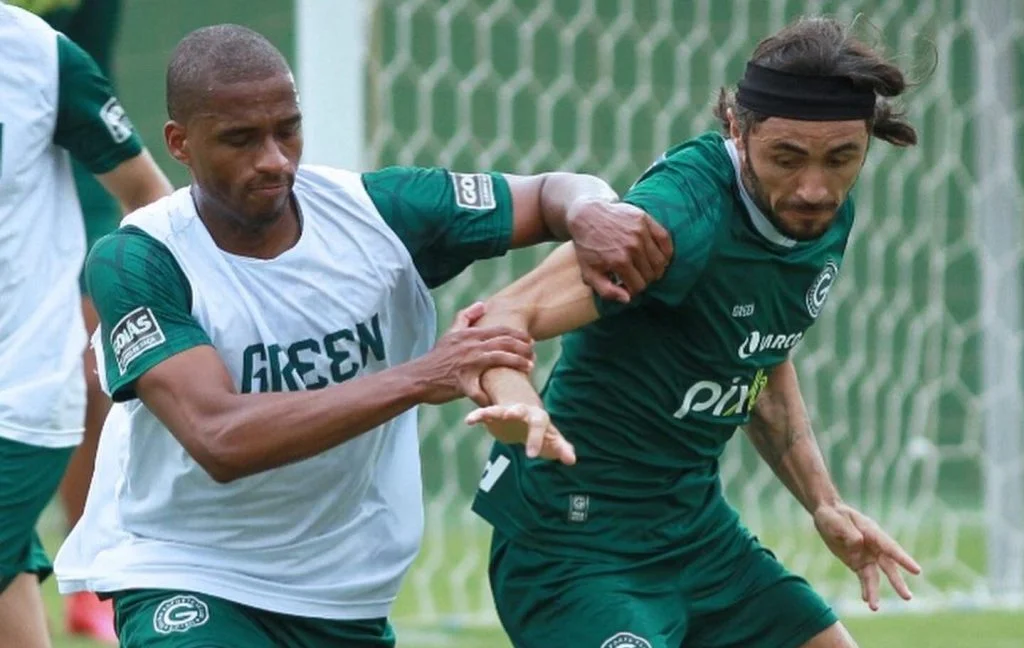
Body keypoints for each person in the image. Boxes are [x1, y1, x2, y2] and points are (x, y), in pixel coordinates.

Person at [53, 24, 672, 648]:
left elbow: (549, 193)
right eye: (240, 139)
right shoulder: (139, 260)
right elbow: (219, 436)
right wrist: (424, 376)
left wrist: (594, 210)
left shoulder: (378, 212)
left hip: (346, 589)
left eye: (287, 129)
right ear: (180, 144)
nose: (273, 159)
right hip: (186, 571)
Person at [468, 16, 924, 648]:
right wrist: (518, 401)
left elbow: (760, 355)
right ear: (738, 129)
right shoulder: (677, 219)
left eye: (842, 157)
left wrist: (823, 502)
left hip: (697, 536)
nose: (816, 187)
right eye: (787, 158)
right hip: (575, 548)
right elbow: (498, 317)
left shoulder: (819, 216)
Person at [0, 4, 173, 648]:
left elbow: (151, 197)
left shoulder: (38, 56)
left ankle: (99, 569)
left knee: (92, 378)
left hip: (22, 390)